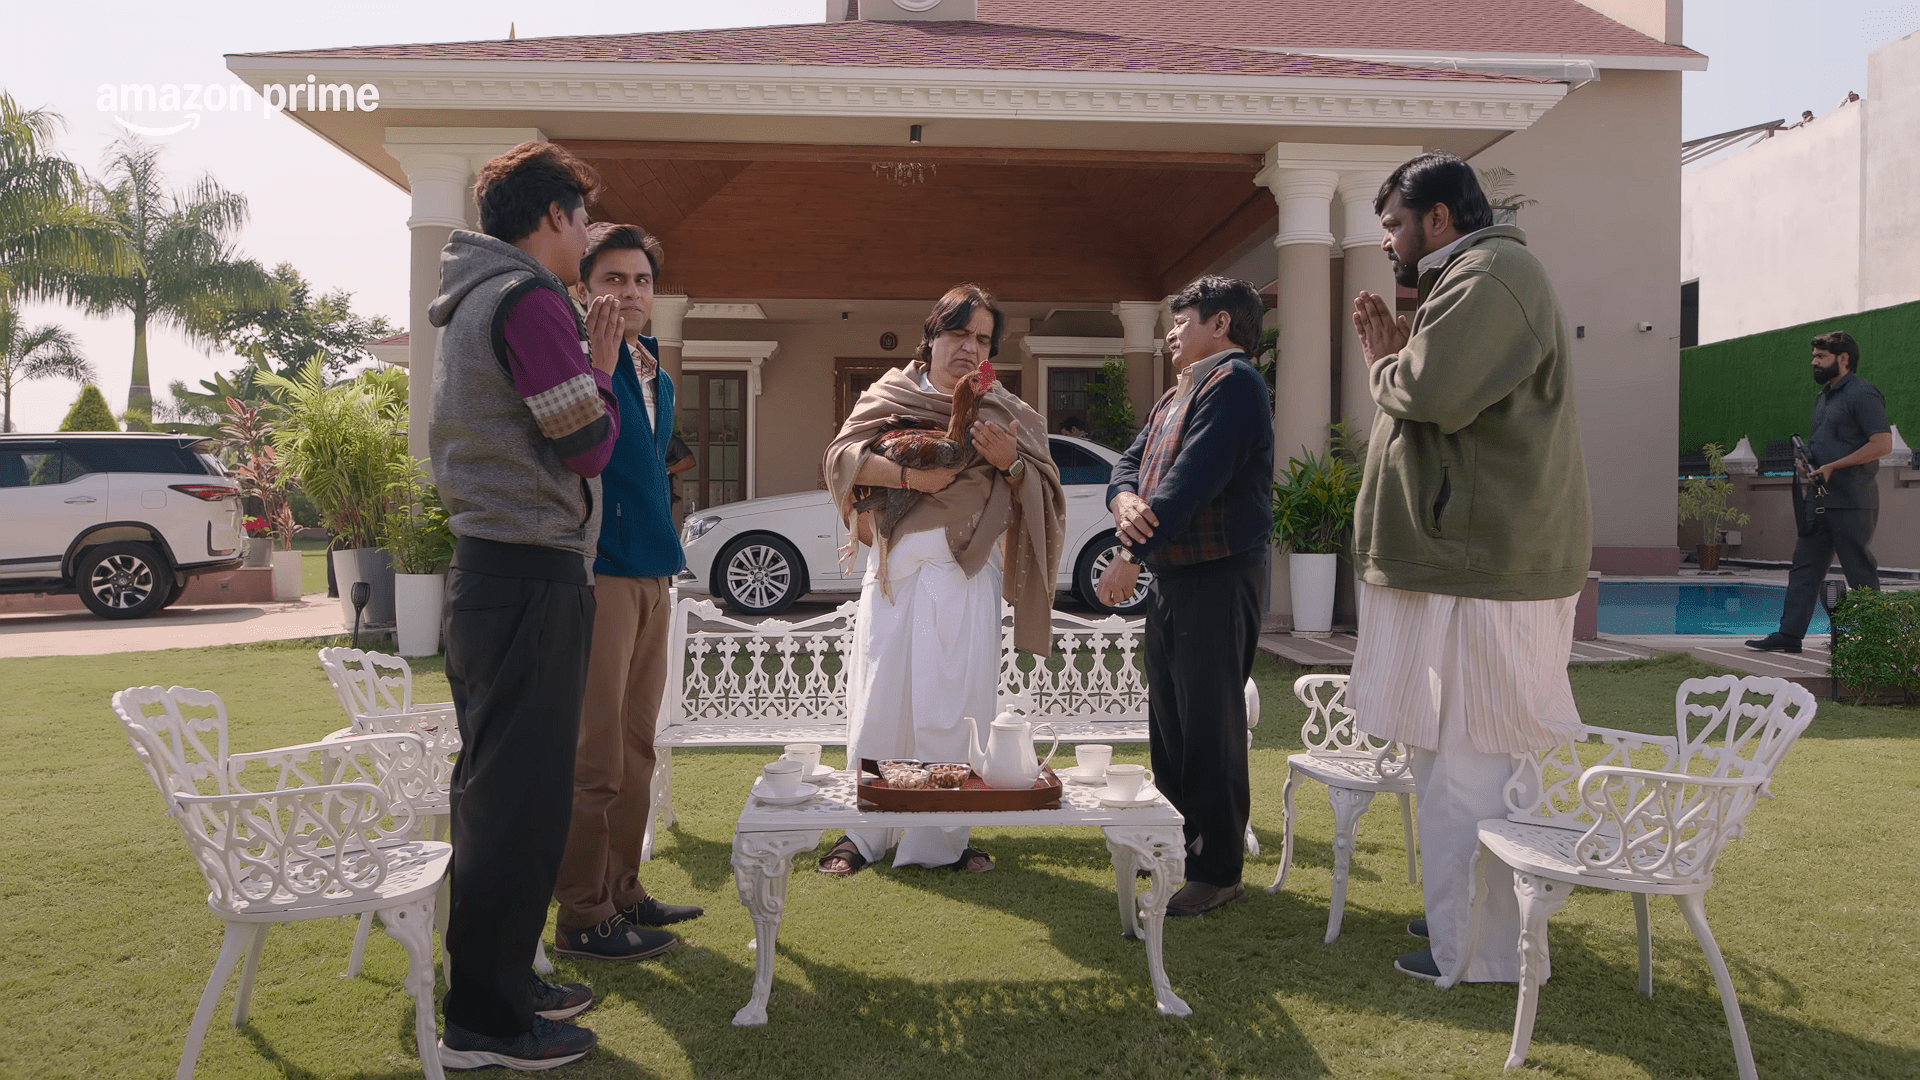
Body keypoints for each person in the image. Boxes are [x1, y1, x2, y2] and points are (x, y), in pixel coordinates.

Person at [1347, 151, 1591, 984]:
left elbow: (1434, 393)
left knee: (1470, 764)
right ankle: (1467, 920)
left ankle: (1480, 953)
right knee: (1452, 759)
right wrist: (1403, 357)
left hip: (1480, 568)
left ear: (1439, 218)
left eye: (1394, 224)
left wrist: (1386, 361)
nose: (1387, 241)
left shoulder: (1493, 274)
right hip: (1465, 567)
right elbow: (1433, 388)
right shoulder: (1471, 276)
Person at [427, 141, 619, 1069]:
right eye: (582, 218)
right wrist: (603, 367)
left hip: (489, 576)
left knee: (497, 794)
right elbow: (587, 444)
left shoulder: (474, 296)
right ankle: (488, 1021)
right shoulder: (530, 300)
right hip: (529, 578)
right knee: (519, 804)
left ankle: (500, 980)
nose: (588, 234)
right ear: (551, 217)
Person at [817, 284, 1065, 876]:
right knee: (882, 702)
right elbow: (839, 459)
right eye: (958, 333)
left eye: (982, 338)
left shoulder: (1004, 411)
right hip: (894, 577)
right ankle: (864, 834)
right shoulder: (889, 394)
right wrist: (912, 480)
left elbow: (1044, 486)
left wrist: (1010, 462)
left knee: (955, 707)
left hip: (964, 576)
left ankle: (946, 837)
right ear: (931, 337)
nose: (969, 347)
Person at [1094, 275, 1273, 918]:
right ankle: (1177, 850)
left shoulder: (1236, 385)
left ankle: (1218, 871)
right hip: (1176, 580)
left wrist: (1127, 557)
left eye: (1182, 320)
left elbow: (1190, 482)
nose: (1171, 332)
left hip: (1218, 579)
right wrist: (1124, 499)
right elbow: (1129, 464)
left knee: (1210, 727)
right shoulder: (1178, 392)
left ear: (1220, 324)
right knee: (1169, 723)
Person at [551, 222, 705, 963]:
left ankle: (624, 890)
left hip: (655, 572)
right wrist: (598, 365)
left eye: (641, 280)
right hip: (602, 572)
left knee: (639, 746)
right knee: (597, 755)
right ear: (583, 291)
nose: (630, 292)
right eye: (613, 279)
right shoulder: (576, 365)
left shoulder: (658, 378)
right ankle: (582, 913)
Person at [1747, 331, 1891, 653]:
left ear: (1843, 359)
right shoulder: (1824, 396)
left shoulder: (1863, 393)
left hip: (1852, 500)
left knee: (1859, 571)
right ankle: (1789, 635)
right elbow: (1826, 444)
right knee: (1804, 568)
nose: (1814, 362)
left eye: (1821, 357)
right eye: (1814, 356)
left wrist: (1833, 467)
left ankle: (1876, 643)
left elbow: (1882, 444)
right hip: (1819, 499)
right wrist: (1806, 466)